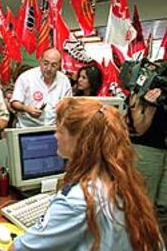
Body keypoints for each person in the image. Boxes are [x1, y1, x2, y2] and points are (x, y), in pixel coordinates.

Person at [12, 97, 163, 251]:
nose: (55, 135)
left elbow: (20, 249)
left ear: (81, 141)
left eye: (60, 130)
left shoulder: (77, 201)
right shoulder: (124, 181)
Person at [129, 87, 167, 236]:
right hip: (148, 149)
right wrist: (150, 106)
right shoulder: (148, 81)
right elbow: (139, 128)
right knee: (143, 206)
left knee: (164, 207)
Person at [11, 48, 72, 127]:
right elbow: (14, 103)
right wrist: (27, 109)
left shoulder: (64, 80)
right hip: (28, 129)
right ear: (40, 61)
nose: (49, 68)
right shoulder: (26, 77)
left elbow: (69, 105)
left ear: (59, 66)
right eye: (46, 63)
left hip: (54, 129)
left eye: (53, 65)